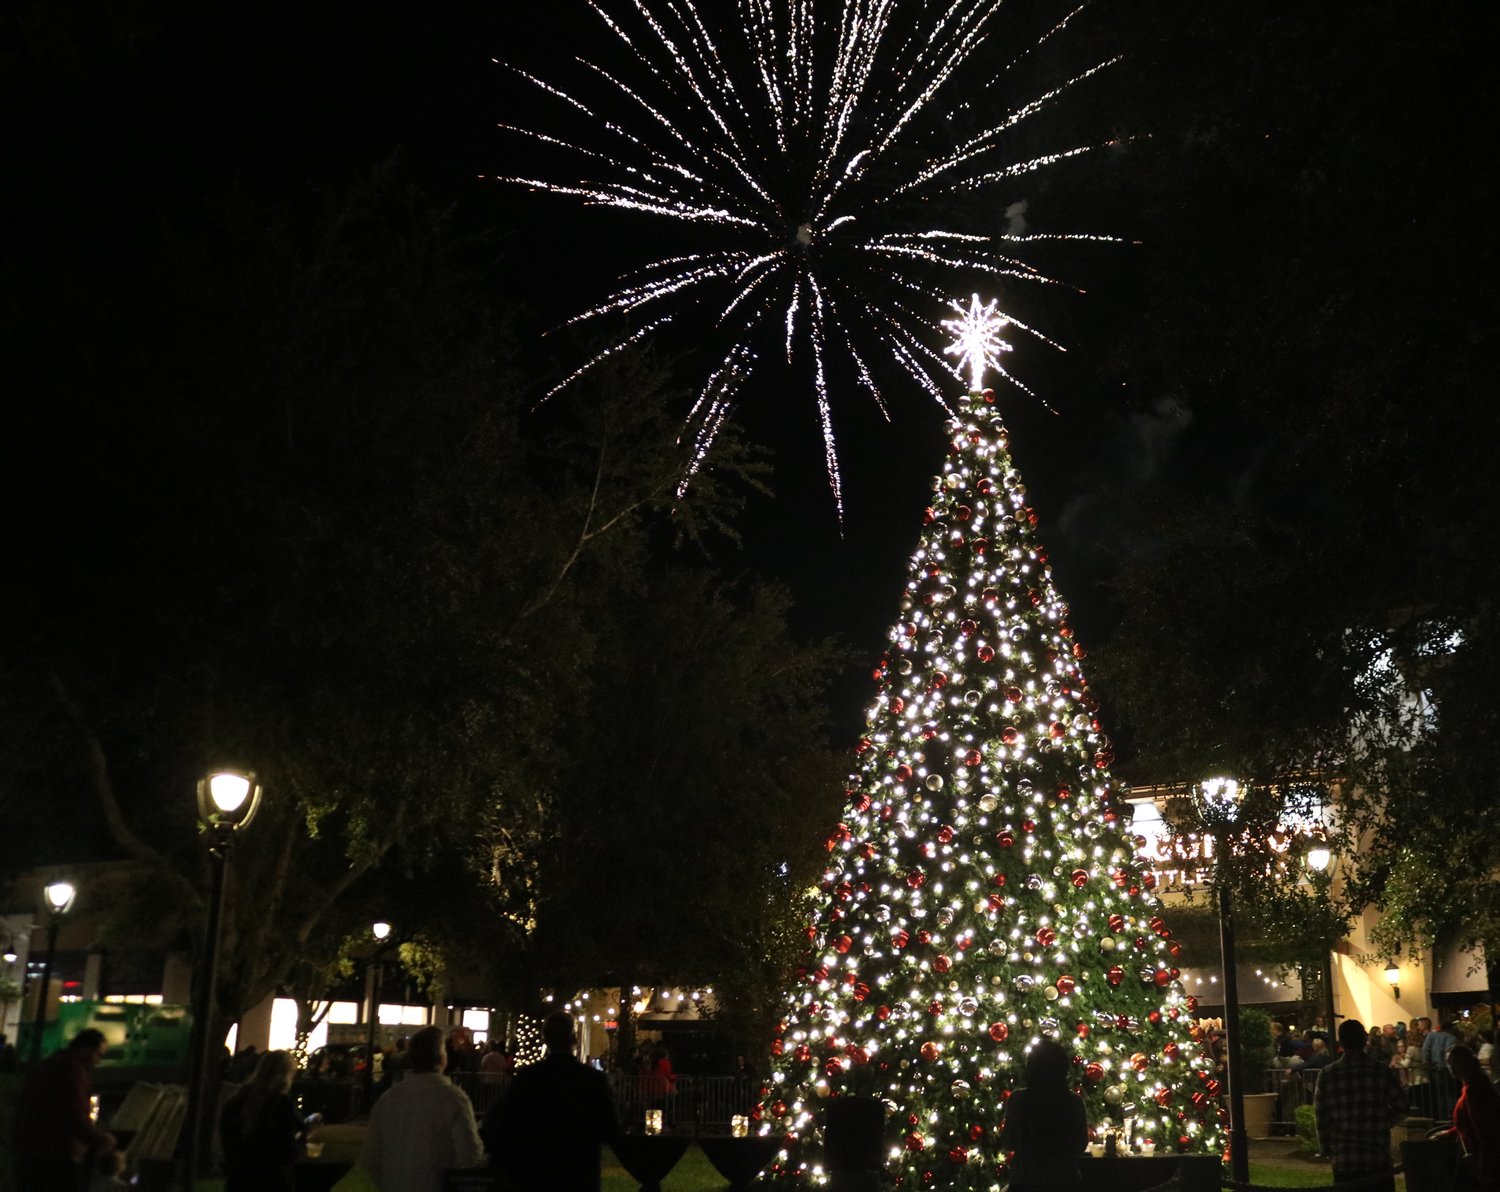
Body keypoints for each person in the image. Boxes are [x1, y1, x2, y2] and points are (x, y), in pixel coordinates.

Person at [483, 1011, 621, 1192]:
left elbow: (502, 1119)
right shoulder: (592, 1080)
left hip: (535, 1172)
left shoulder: (527, 1078)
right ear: (573, 1039)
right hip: (579, 1173)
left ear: (545, 1040)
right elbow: (611, 1128)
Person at [362, 1025, 484, 1192]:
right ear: (442, 1058)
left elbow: (371, 1156)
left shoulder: (388, 1100)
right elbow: (470, 1156)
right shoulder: (454, 1099)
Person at [12, 1028, 117, 1191]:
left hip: (31, 1153)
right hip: (56, 1157)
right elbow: (74, 1115)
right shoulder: (72, 1071)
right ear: (86, 1049)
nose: (98, 1061)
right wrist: (101, 1139)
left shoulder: (49, 1065)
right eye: (99, 1054)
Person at [1314, 1020, 1408, 1192]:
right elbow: (1402, 1106)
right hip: (1377, 1156)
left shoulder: (1328, 1074)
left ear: (1341, 1042)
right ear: (1364, 1039)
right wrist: (1383, 1121)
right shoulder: (1380, 1071)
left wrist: (1326, 1148)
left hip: (1345, 1158)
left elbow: (1322, 1115)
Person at [1003, 1038, 1089, 1192]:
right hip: (1064, 1180)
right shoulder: (1074, 1102)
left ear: (1031, 1068)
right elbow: (1081, 1144)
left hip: (1025, 1179)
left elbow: (1009, 1141)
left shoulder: (1018, 1100)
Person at [220, 1049, 303, 1192]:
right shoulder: (280, 1104)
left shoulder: (236, 1100)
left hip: (239, 1179)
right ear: (286, 1075)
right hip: (271, 1180)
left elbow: (227, 1138)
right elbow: (287, 1149)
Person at [1444, 1045, 1500, 1189]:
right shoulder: (1471, 1086)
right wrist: (1449, 1132)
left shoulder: (1474, 1090)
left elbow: (1486, 1131)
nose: (1451, 1067)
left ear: (1466, 1062)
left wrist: (1485, 1167)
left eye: (1454, 1062)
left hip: (1479, 1160)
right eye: (1449, 1063)